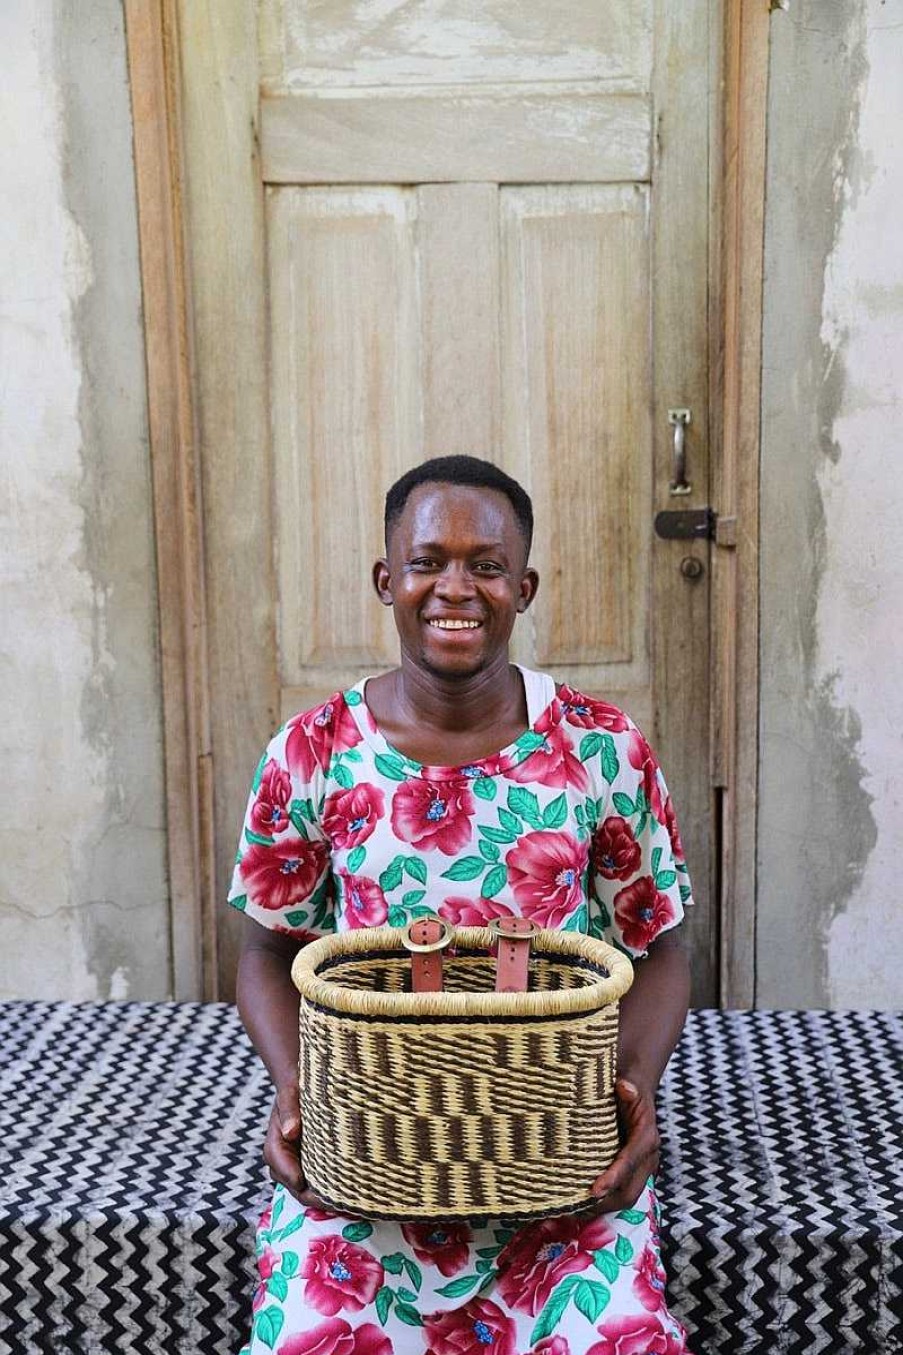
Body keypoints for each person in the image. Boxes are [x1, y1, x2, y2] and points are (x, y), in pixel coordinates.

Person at [231, 455, 694, 1355]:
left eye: (486, 566)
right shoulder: (312, 752)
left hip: (555, 1155)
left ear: (523, 587)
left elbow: (661, 945)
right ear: (385, 579)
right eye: (427, 561)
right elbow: (263, 951)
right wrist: (299, 1094)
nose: (456, 588)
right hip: (372, 1158)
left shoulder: (600, 749)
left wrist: (629, 1098)